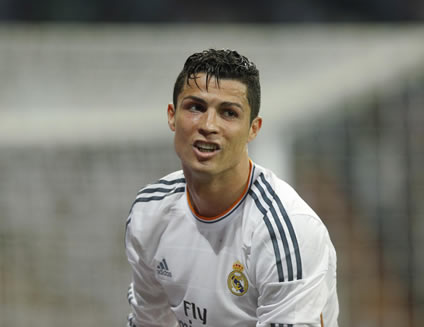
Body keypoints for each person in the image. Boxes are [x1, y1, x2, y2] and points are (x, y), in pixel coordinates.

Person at [125, 49, 339, 327]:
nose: (208, 125)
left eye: (228, 113)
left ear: (253, 129)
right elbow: (148, 321)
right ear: (171, 116)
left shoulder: (287, 231)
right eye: (195, 107)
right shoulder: (149, 212)